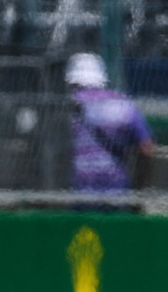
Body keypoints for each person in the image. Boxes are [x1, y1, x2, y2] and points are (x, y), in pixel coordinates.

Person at [65, 52, 153, 197]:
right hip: (116, 188)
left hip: (78, 189)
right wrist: (140, 185)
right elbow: (146, 147)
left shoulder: (64, 105)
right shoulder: (122, 103)